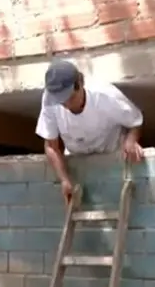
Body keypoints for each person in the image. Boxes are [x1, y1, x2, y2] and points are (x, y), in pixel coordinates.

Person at [35, 59, 145, 204]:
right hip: (79, 160)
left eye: (71, 98)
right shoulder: (50, 100)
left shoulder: (105, 95)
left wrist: (131, 141)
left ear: (80, 83)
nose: (67, 105)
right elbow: (51, 146)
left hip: (112, 156)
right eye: (61, 102)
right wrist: (64, 180)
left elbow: (136, 122)